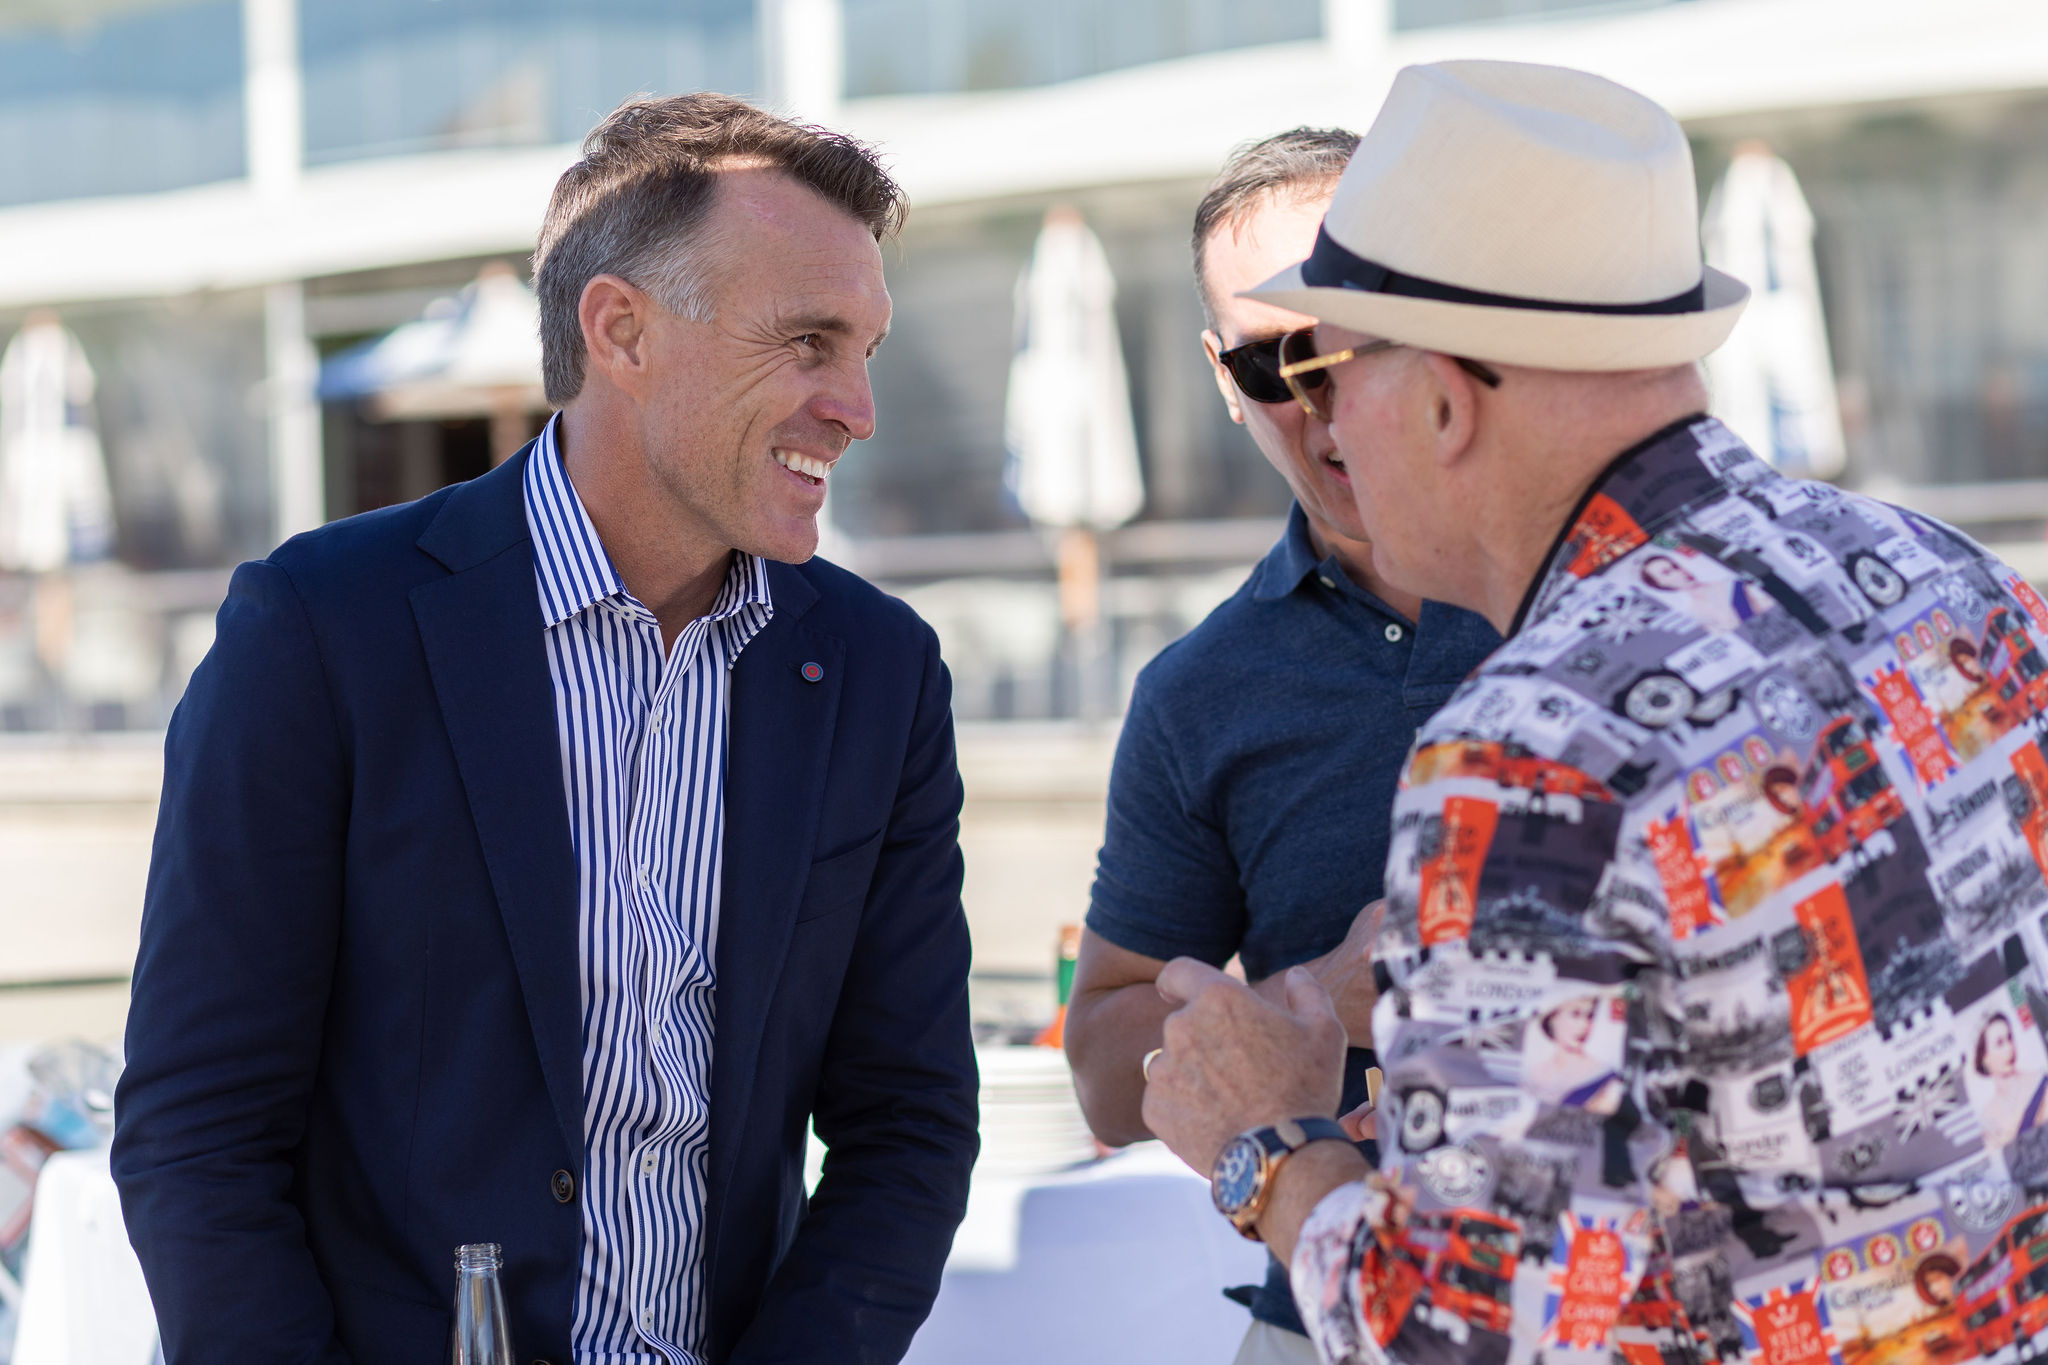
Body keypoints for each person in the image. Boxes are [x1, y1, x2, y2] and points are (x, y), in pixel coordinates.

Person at [1137, 59, 2048, 1365]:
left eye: (1328, 367)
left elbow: (1450, 1336)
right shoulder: (1955, 581)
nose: (1322, 424)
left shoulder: (1527, 754)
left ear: (1443, 398)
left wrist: (1267, 1144)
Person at [112, 94, 978, 1365]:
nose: (854, 407)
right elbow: (199, 1128)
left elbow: (907, 1122)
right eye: (806, 341)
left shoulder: (876, 670)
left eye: (865, 351)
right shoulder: (322, 629)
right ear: (620, 329)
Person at [1061, 129, 1499, 1364]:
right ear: (1220, 377)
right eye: (1274, 360)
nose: (1328, 398)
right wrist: (1317, 998)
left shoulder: (1606, 587)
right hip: (1328, 1302)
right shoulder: (1199, 690)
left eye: (1362, 336)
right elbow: (1102, 1067)